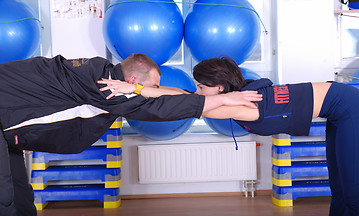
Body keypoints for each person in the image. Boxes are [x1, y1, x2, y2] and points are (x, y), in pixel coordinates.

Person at [0, 53, 262, 216]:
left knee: (20, 196)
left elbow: (158, 96)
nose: (154, 90)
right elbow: (159, 108)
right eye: (153, 85)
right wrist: (227, 99)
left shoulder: (102, 73)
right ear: (134, 78)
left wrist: (203, 98)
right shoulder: (107, 88)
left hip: (9, 131)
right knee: (5, 198)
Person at [101, 56, 359, 216]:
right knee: (338, 188)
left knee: (353, 191)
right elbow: (182, 93)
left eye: (202, 87)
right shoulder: (235, 96)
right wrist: (135, 88)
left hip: (349, 107)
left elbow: (183, 100)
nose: (198, 91)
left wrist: (136, 90)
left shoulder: (241, 108)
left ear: (220, 89)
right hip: (336, 108)